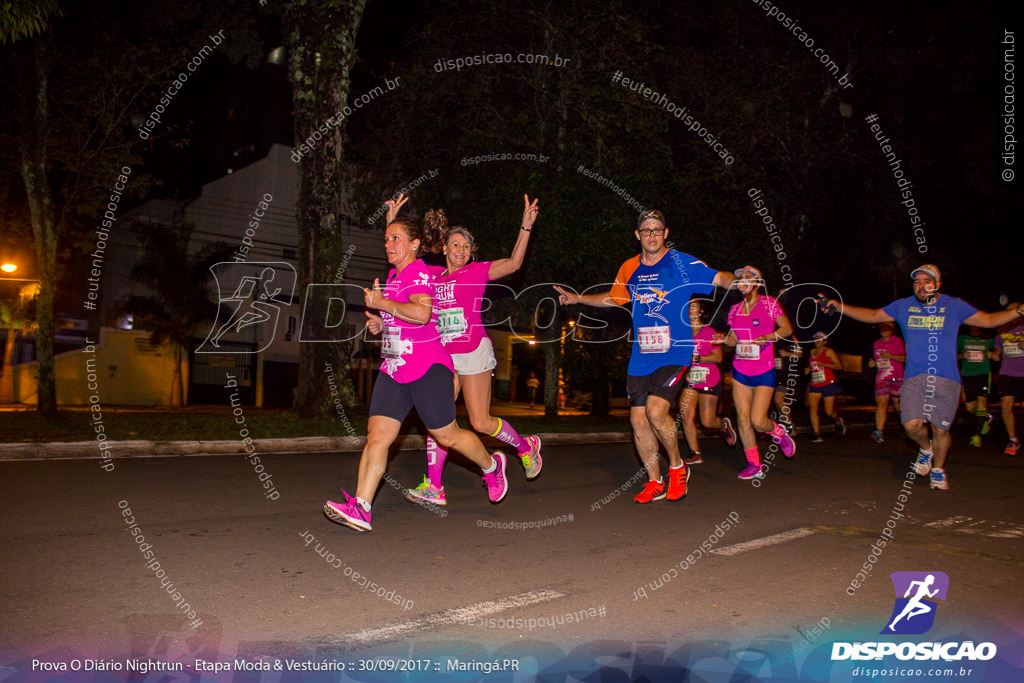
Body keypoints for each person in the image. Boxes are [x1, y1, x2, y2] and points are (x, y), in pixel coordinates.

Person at [323, 217, 509, 532]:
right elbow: (401, 315)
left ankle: (492, 466)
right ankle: (362, 507)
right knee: (377, 437)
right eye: (386, 239)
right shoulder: (395, 275)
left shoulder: (419, 272)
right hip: (394, 370)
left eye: (396, 238)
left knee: (447, 435)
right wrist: (381, 323)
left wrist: (382, 302)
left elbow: (422, 313)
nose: (388, 244)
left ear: (414, 245)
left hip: (427, 369)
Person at [555, 209, 735, 503]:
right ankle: (655, 481)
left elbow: (718, 277)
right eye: (646, 230)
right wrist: (578, 299)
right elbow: (614, 297)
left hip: (675, 351)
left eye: (657, 229)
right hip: (642, 355)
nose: (652, 234)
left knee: (655, 411)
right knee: (638, 422)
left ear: (666, 233)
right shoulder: (629, 267)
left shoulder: (681, 263)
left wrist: (736, 279)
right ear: (637, 235)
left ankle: (677, 468)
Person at [389, 194, 543, 507]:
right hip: (443, 357)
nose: (461, 250)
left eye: (466, 247)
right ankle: (434, 485)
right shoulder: (430, 275)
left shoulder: (476, 272)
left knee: (480, 422)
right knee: (439, 419)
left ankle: (525, 446)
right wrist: (392, 222)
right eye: (455, 244)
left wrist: (526, 227)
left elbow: (513, 264)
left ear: (471, 254)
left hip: (473, 350)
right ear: (444, 247)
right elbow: (402, 255)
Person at [823, 264, 1022, 490]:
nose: (920, 285)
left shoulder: (953, 306)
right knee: (911, 425)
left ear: (936, 285)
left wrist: (1019, 311)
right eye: (916, 281)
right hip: (915, 377)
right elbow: (871, 315)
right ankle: (926, 449)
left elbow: (987, 320)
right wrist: (839, 307)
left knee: (940, 429)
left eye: (926, 280)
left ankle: (938, 469)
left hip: (947, 379)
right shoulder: (904, 306)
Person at [716, 265, 796, 479]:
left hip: (764, 370)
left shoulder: (770, 304)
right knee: (742, 420)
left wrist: (768, 337)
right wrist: (723, 339)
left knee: (758, 421)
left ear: (758, 283)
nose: (743, 280)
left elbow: (787, 329)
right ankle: (754, 465)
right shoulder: (734, 309)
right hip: (741, 370)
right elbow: (733, 340)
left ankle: (778, 432)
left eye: (748, 277)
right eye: (740, 277)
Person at [678, 298, 737, 465]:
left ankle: (723, 424)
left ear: (701, 311)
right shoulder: (681, 332)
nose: (690, 309)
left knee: (707, 422)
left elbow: (718, 357)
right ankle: (695, 452)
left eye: (694, 307)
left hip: (709, 379)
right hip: (689, 380)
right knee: (686, 416)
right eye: (688, 307)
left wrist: (698, 357)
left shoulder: (709, 331)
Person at [957, 325, 997, 447]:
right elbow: (952, 355)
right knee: (970, 407)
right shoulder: (962, 339)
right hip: (968, 374)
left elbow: (997, 350)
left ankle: (977, 436)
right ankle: (986, 416)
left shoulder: (988, 339)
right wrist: (962, 356)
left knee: (981, 402)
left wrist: (994, 355)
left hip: (983, 373)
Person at [804, 331, 846, 442]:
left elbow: (839, 366)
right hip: (815, 383)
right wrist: (808, 368)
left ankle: (838, 421)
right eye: (815, 338)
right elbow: (812, 364)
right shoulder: (812, 351)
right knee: (813, 409)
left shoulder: (828, 351)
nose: (817, 341)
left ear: (825, 341)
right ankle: (816, 434)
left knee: (828, 411)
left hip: (828, 382)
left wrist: (825, 364)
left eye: (819, 339)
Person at [868, 321, 906, 443]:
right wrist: (873, 363)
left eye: (887, 328)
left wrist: (891, 356)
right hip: (882, 378)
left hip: (897, 377)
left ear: (891, 330)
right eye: (882, 328)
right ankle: (879, 431)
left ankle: (906, 428)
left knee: (898, 406)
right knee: (881, 404)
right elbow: (877, 359)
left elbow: (906, 358)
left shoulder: (897, 341)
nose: (884, 330)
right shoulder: (876, 344)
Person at [994, 317, 1024, 455]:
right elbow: (997, 352)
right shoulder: (1001, 334)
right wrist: (994, 355)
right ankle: (1013, 440)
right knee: (1006, 405)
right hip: (1008, 374)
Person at [772, 335, 803, 435]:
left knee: (778, 400)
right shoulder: (770, 337)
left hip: (787, 374)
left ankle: (789, 424)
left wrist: (787, 354)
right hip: (774, 374)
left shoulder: (790, 338)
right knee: (777, 403)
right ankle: (785, 425)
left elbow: (800, 354)